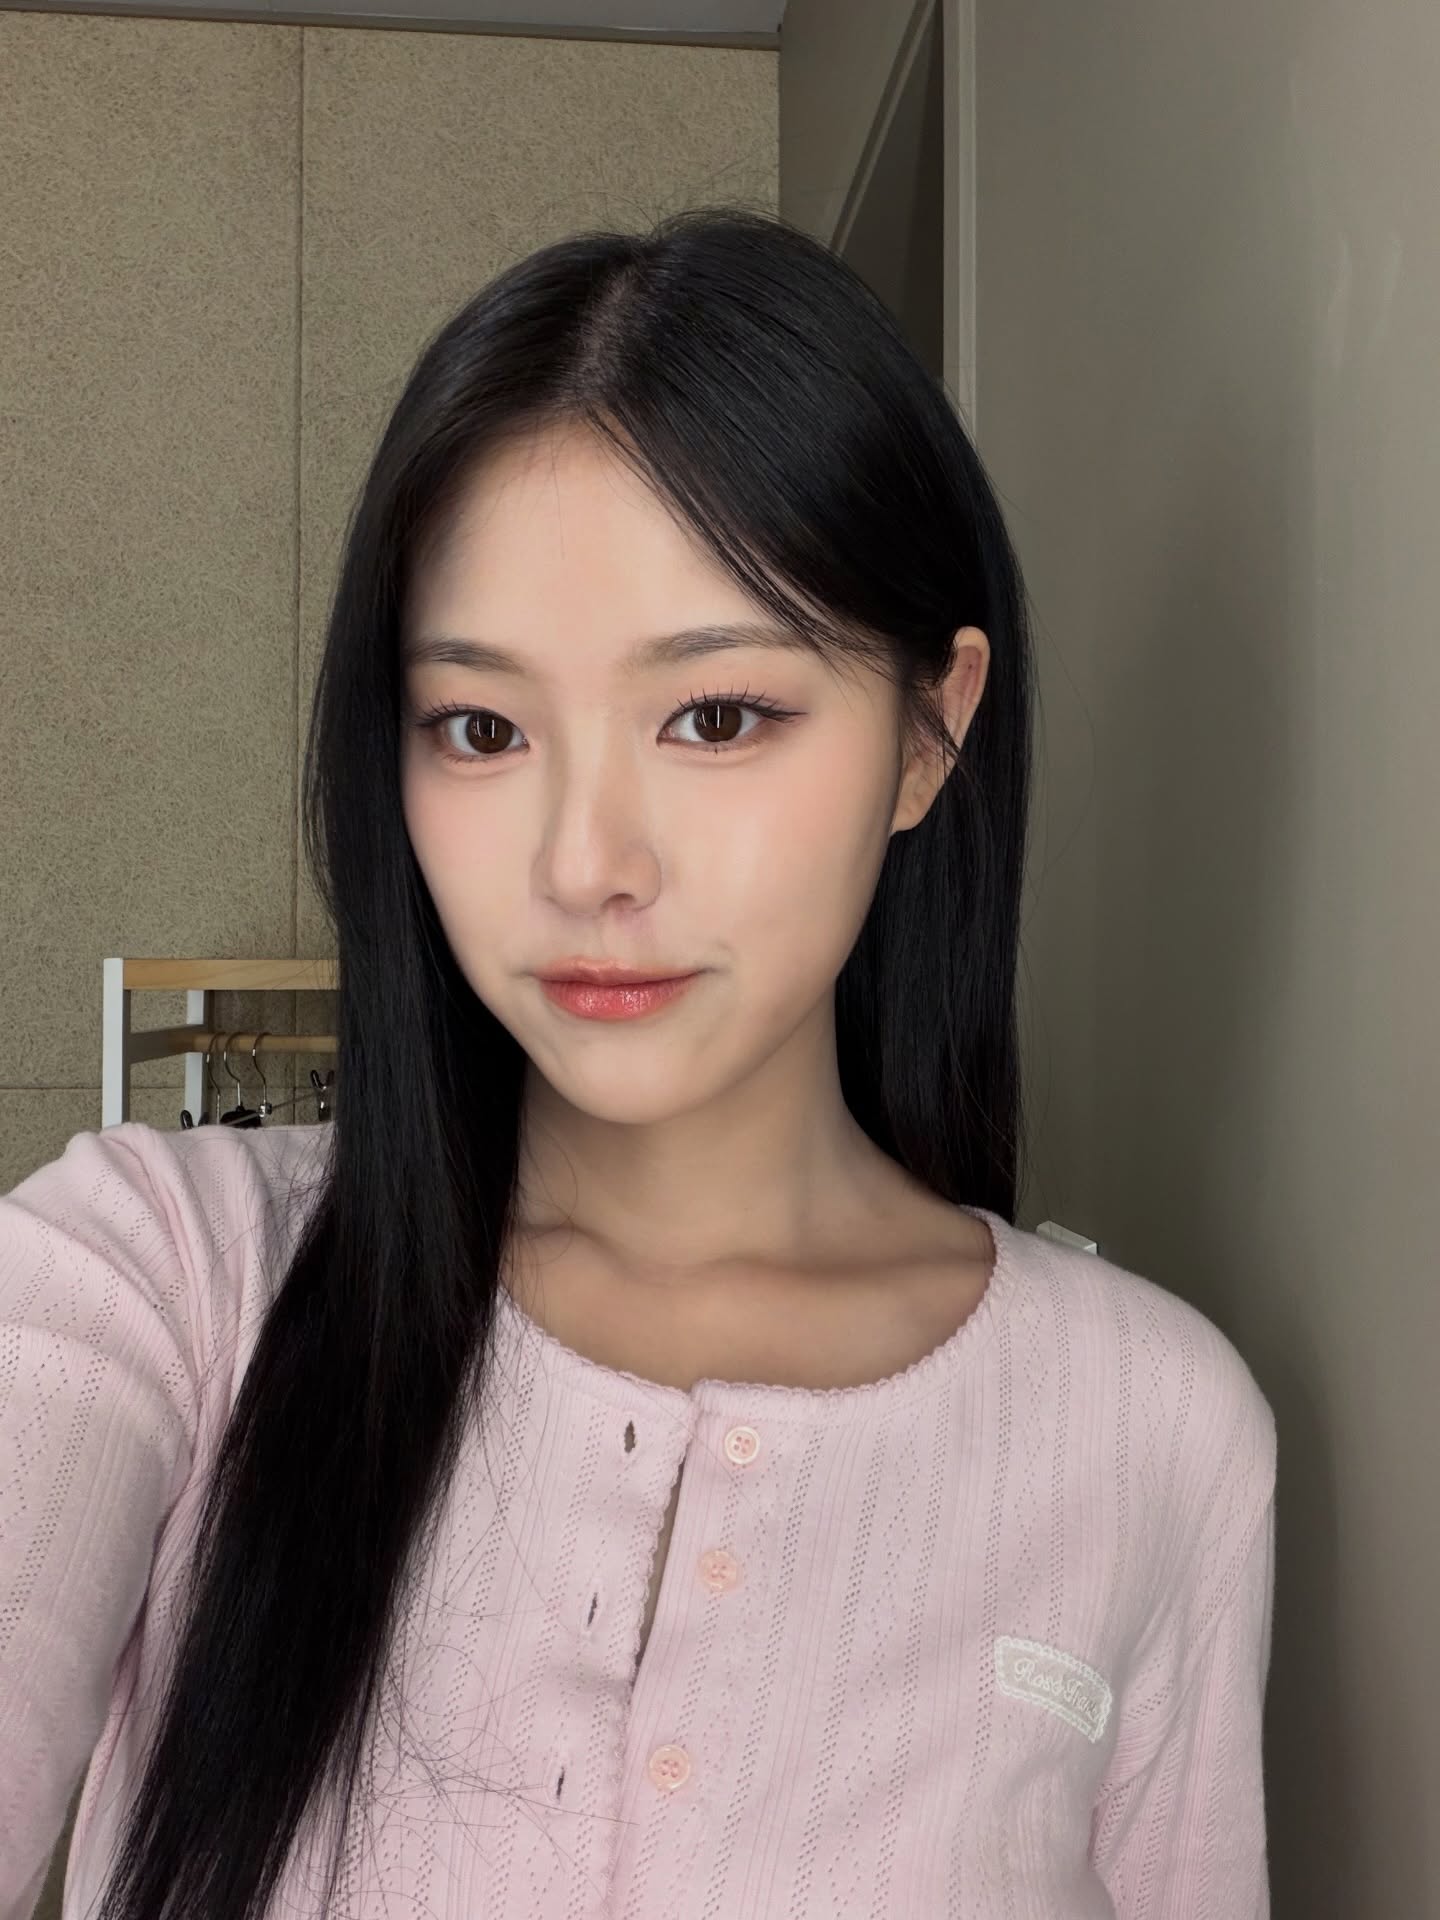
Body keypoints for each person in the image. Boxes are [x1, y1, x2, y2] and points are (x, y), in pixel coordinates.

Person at [0, 205, 1276, 1920]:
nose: (584, 862)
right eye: (481, 727)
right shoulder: (160, 1283)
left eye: (717, 716)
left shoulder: (1155, 1432)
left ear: (930, 729)